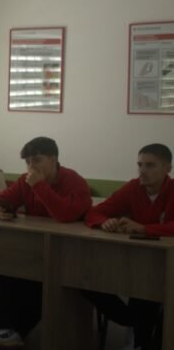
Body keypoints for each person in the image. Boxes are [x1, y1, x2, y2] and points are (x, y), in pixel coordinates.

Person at [0, 136, 92, 347]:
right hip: (34, 247)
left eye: (37, 160)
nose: (32, 167)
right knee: (1, 267)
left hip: (69, 254)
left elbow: (65, 215)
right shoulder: (26, 180)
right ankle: (3, 330)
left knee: (35, 278)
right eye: (28, 162)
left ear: (53, 159)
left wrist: (39, 186)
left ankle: (15, 331)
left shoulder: (74, 182)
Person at [82, 143, 172, 350]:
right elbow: (95, 212)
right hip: (136, 263)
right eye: (140, 165)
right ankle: (135, 330)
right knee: (84, 281)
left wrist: (144, 229)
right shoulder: (133, 188)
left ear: (167, 168)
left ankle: (142, 341)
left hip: (165, 265)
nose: (142, 170)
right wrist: (104, 222)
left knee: (147, 291)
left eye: (150, 165)